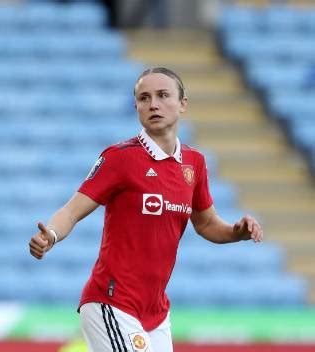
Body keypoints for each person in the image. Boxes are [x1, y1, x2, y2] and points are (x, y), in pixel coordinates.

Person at [29, 67, 263, 352]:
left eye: (163, 95)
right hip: (111, 302)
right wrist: (50, 235)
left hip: (155, 312)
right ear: (137, 106)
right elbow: (71, 211)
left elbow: (205, 223)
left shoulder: (195, 163)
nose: (153, 104)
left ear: (183, 104)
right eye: (144, 98)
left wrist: (236, 232)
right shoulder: (120, 158)